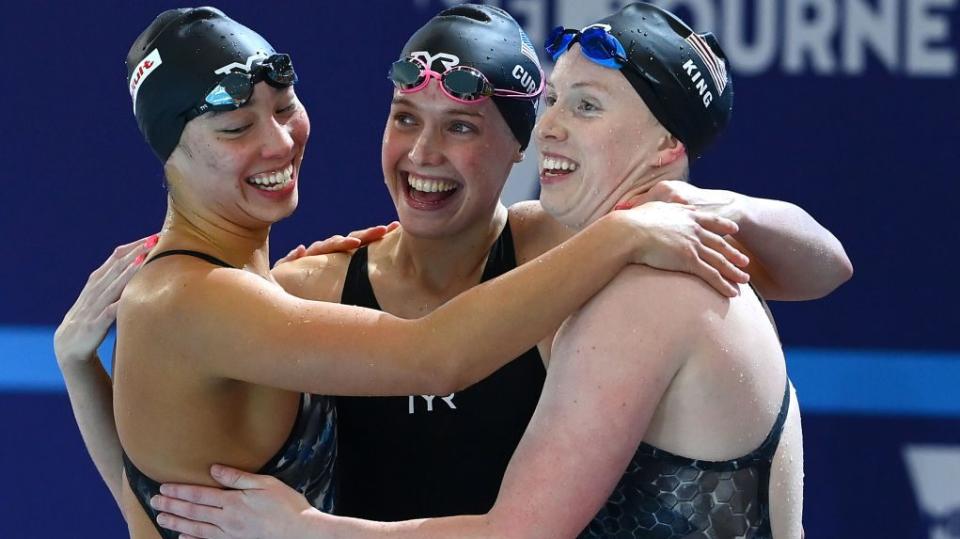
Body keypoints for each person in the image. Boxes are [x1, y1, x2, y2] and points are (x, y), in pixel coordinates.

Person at [54, 6, 759, 539]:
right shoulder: (239, 295)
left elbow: (149, 498)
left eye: (283, 107)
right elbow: (435, 356)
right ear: (169, 152)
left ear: (519, 149)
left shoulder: (260, 293)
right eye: (236, 128)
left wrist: (81, 371)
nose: (276, 138)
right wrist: (626, 232)